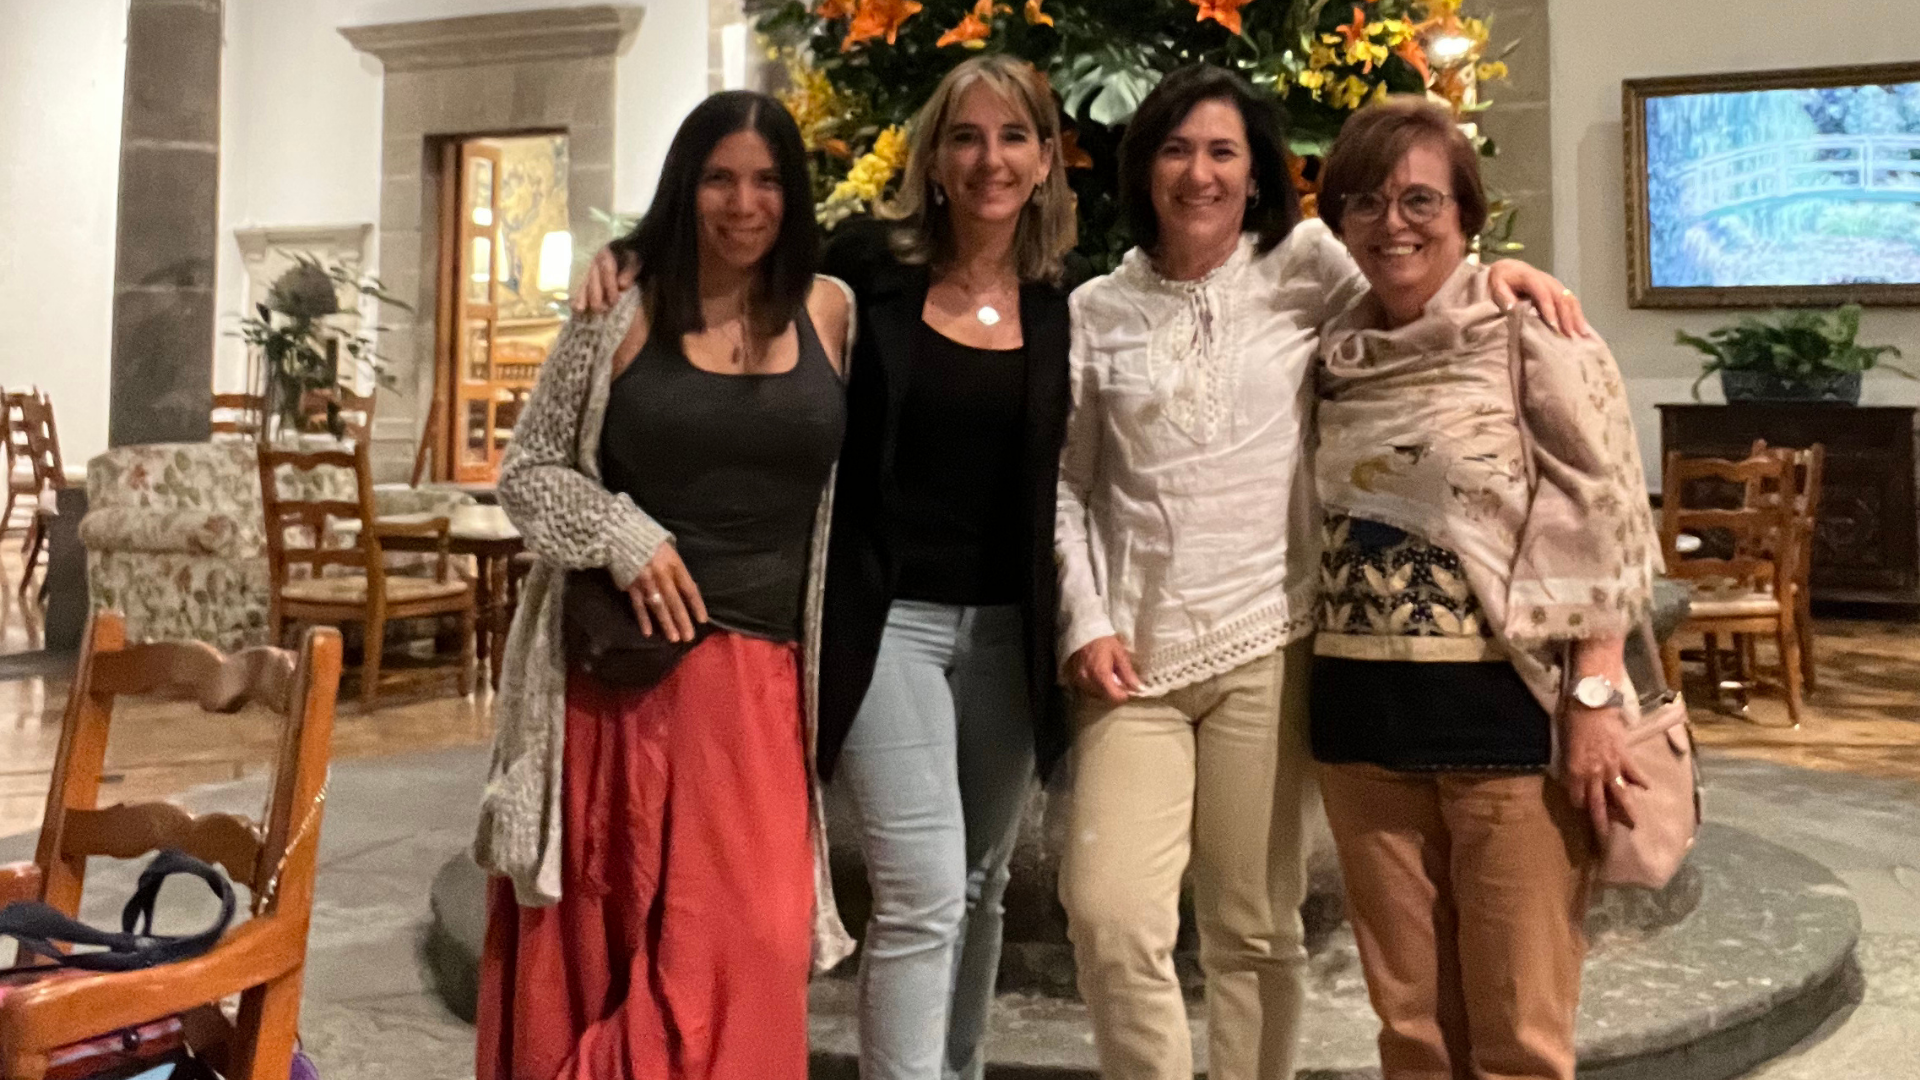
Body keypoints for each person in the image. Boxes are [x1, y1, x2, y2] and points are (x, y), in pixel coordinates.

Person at [1052, 64, 1586, 1080]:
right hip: (1132, 656)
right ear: (1144, 167)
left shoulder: (1304, 265)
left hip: (1270, 637)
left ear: (1256, 174)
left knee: (1255, 926)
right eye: (1176, 150)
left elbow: (1412, 287)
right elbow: (1067, 484)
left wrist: (1500, 275)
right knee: (1109, 916)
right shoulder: (1095, 309)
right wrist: (1085, 618)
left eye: (1223, 151)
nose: (1200, 174)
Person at [576, 55, 1079, 1080]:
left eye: (1012, 137)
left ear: (1044, 161)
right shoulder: (869, 275)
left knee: (979, 886)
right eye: (966, 137)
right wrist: (630, 249)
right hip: (888, 622)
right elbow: (744, 244)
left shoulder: (1068, 304)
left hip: (1011, 632)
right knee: (922, 888)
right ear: (932, 158)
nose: (989, 159)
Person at [472, 90, 856, 1080]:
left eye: (766, 180)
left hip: (761, 687)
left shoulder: (832, 309)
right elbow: (527, 471)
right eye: (720, 178)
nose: (744, 203)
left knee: (753, 945)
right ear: (687, 187)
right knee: (605, 958)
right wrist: (623, 536)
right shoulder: (620, 312)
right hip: (620, 687)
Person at [1308, 96, 1655, 1080]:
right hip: (1360, 723)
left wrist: (1596, 693)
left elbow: (1605, 510)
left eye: (1421, 199)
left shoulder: (1530, 332)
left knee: (1519, 1040)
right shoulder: (1332, 352)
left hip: (1509, 721)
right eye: (1366, 201)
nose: (1393, 223)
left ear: (1467, 214)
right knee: (1413, 1033)